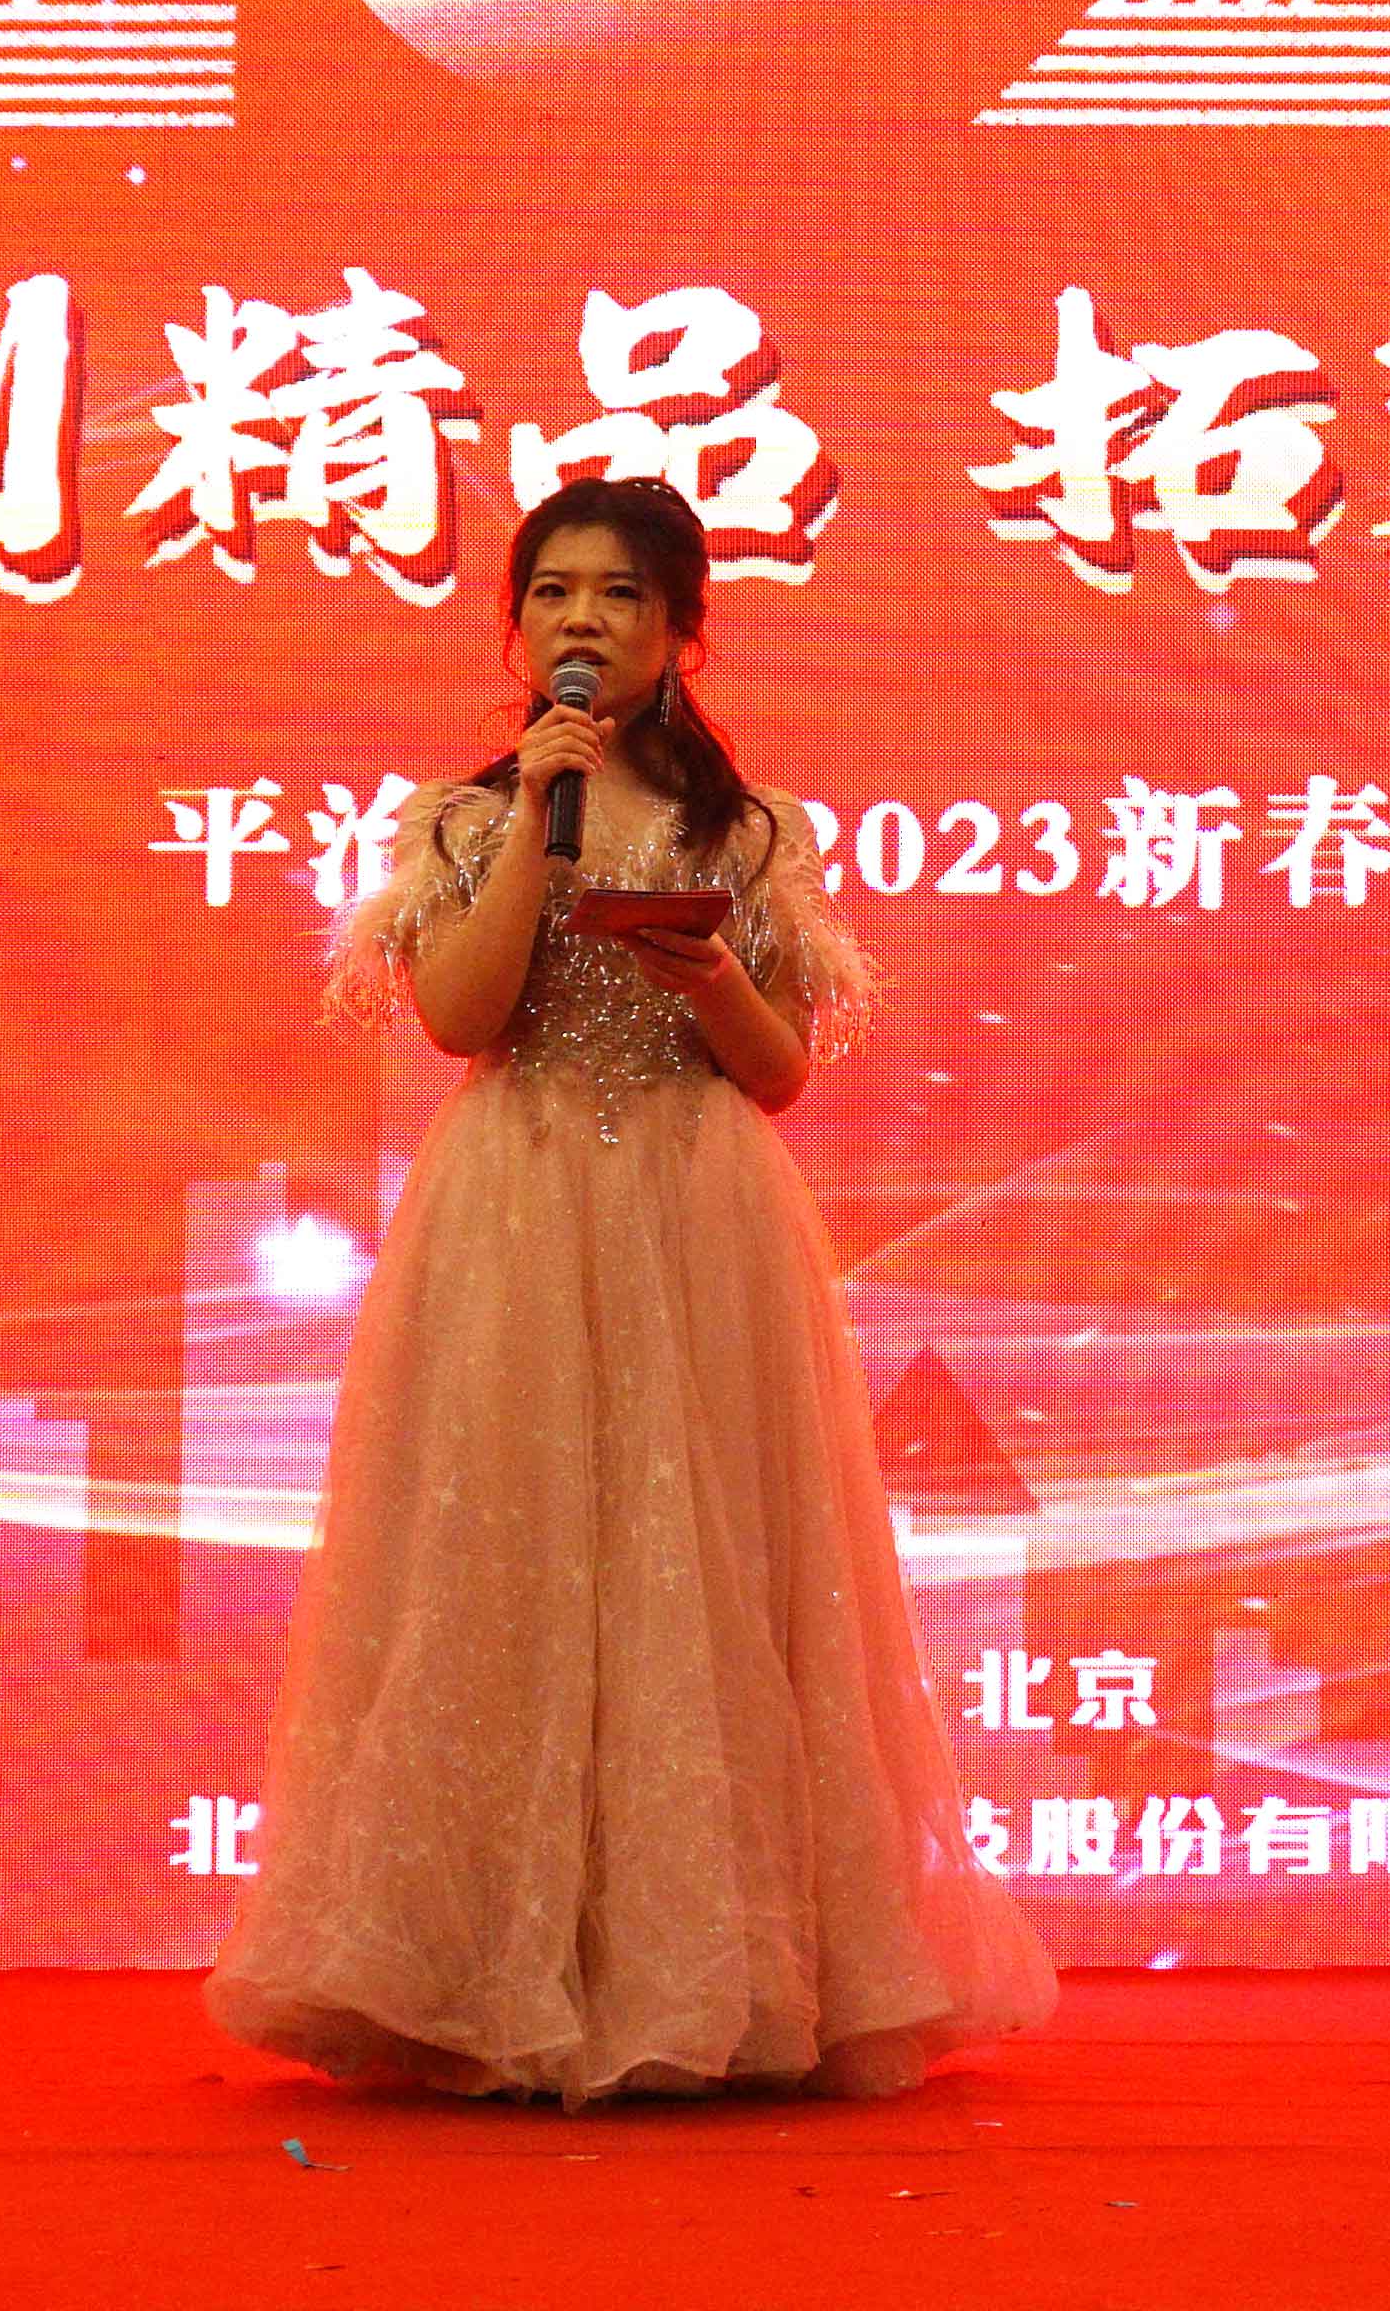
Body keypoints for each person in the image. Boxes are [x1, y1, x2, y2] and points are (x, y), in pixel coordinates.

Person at [208, 478, 1049, 2102]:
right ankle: (467, 1975)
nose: (580, 621)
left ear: (678, 631)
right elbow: (461, 1021)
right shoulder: (463, 821)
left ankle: (714, 1969)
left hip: (697, 1212)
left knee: (700, 1569)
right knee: (502, 1558)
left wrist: (714, 969)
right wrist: (540, 813)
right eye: (552, 594)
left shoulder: (752, 830)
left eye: (617, 596)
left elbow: (781, 1073)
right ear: (516, 626)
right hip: (515, 1209)